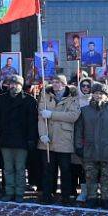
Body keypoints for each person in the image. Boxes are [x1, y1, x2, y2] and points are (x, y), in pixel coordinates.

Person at [74, 83, 108, 208]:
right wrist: (78, 146)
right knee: (90, 176)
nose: (98, 96)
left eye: (101, 93)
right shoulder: (85, 110)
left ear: (106, 96)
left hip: (107, 149)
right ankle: (92, 198)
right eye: (96, 93)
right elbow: (79, 130)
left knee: (107, 177)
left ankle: (106, 198)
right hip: (90, 150)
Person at [0, 74, 37, 202]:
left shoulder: (29, 101)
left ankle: (19, 192)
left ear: (21, 86)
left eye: (17, 84)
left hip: (22, 140)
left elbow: (33, 122)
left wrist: (32, 139)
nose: (14, 86)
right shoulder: (0, 100)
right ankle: (9, 191)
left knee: (20, 168)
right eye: (11, 84)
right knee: (7, 168)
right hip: (5, 139)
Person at [37, 75, 81, 205]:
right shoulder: (45, 96)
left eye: (58, 82)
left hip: (64, 138)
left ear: (64, 84)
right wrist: (42, 135)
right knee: (48, 169)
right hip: (48, 138)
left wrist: (52, 114)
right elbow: (41, 117)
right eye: (53, 82)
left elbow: (73, 116)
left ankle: (66, 196)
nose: (55, 84)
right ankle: (48, 194)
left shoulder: (73, 98)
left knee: (66, 169)